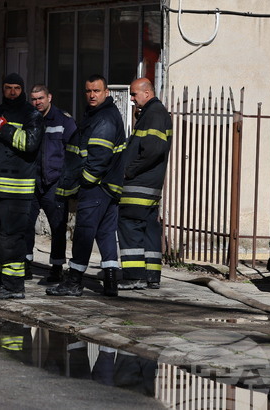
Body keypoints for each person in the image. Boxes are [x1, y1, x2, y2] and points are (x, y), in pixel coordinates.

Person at [48, 74, 125, 298]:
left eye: (97, 91)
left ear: (106, 92)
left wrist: (85, 183)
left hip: (96, 187)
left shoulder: (104, 119)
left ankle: (74, 281)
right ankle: (111, 281)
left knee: (83, 233)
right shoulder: (101, 114)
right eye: (88, 91)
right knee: (105, 233)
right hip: (108, 186)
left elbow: (99, 157)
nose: (92, 95)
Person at [0, 73, 44, 300]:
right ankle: (1, 282)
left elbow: (29, 143)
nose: (12, 92)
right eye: (8, 88)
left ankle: (14, 287)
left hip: (17, 189)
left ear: (23, 89)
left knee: (11, 239)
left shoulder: (32, 115)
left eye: (17, 88)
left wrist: (5, 129)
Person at [118, 78, 173, 290]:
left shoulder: (155, 114)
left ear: (147, 93)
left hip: (139, 183)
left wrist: (128, 170)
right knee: (149, 227)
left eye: (134, 94)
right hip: (149, 183)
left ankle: (134, 276)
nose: (131, 99)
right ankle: (151, 276)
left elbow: (153, 150)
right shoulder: (153, 113)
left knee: (129, 224)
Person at [27, 84, 77, 284]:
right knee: (25, 226)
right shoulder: (29, 120)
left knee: (58, 227)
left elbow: (73, 153)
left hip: (54, 183)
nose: (37, 102)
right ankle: (25, 263)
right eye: (34, 99)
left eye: (40, 98)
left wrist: (67, 180)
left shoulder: (64, 121)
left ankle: (56, 267)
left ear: (49, 98)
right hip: (32, 182)